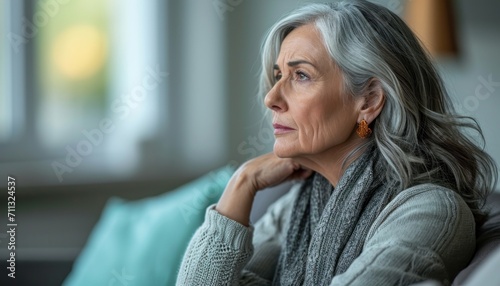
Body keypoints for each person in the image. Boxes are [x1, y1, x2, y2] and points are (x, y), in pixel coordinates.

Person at [176, 1, 497, 285]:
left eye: (301, 75)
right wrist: (243, 182)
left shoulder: (431, 211)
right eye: (277, 76)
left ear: (369, 100)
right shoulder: (297, 207)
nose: (271, 98)